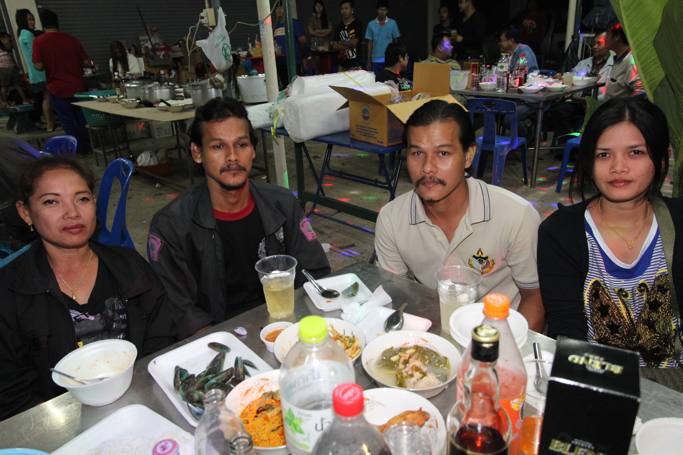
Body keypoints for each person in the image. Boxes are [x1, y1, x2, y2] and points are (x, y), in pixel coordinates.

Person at [0, 157, 176, 421]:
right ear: (25, 212)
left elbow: (162, 340)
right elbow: (10, 391)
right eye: (51, 202)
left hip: (139, 404)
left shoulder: (130, 268)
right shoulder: (10, 291)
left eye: (82, 199)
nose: (72, 213)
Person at [147, 98, 330, 339]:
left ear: (253, 151)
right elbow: (180, 310)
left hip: (285, 328)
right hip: (216, 339)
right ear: (197, 153)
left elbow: (315, 271)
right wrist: (227, 345)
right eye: (218, 146)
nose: (232, 156)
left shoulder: (282, 204)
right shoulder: (172, 226)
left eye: (241, 144)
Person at [538, 97, 682, 368]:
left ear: (660, 157)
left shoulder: (678, 222)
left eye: (635, 152)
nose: (618, 167)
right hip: (596, 375)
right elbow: (567, 328)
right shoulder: (559, 233)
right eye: (603, 154)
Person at [374, 100, 542, 326]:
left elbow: (535, 297)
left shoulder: (516, 216)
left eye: (443, 153)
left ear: (469, 155)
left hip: (501, 333)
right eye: (417, 153)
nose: (427, 167)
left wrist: (507, 346)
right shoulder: (392, 219)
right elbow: (397, 292)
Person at [32, 9, 92, 155]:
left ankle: (75, 151)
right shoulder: (72, 39)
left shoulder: (39, 41)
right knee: (81, 120)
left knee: (68, 122)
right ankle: (86, 148)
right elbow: (86, 62)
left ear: (43, 24)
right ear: (57, 23)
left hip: (57, 88)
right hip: (78, 87)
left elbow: (38, 66)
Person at [547, 32, 614, 140]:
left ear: (608, 44)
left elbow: (611, 91)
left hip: (599, 103)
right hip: (578, 101)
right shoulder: (584, 63)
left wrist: (589, 101)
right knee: (559, 110)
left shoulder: (615, 64)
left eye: (599, 43)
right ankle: (565, 143)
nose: (594, 47)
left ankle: (581, 143)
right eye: (593, 44)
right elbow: (572, 77)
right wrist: (562, 77)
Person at [16, 8, 54, 131]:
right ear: (23, 21)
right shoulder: (27, 34)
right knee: (47, 98)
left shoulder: (22, 34)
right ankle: (50, 124)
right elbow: (37, 53)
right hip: (40, 72)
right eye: (30, 19)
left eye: (33, 19)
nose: (33, 22)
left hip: (35, 73)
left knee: (44, 98)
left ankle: (48, 122)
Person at [604, 22, 643, 99]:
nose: (605, 38)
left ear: (617, 37)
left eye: (607, 34)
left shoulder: (631, 60)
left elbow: (640, 91)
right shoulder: (618, 59)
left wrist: (624, 106)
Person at [272, 0, 307, 89]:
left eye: (281, 8)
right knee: (285, 87)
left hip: (293, 61)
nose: (279, 10)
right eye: (277, 8)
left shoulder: (293, 22)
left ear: (286, 9)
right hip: (280, 61)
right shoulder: (275, 26)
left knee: (295, 86)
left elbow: (303, 40)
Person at [364, 0, 400, 74]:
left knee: (389, 79)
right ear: (377, 10)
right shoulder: (371, 24)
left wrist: (396, 59)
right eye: (380, 9)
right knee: (376, 79)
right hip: (375, 60)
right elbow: (370, 43)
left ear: (387, 11)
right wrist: (368, 61)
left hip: (389, 59)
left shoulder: (393, 23)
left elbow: (396, 42)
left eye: (384, 10)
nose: (382, 12)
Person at [331, 0, 363, 71]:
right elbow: (334, 45)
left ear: (352, 10)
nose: (344, 11)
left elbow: (354, 43)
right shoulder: (339, 26)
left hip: (355, 64)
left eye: (346, 8)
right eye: (342, 9)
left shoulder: (357, 24)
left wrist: (340, 42)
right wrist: (347, 44)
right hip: (341, 64)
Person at [0, 32, 29, 107]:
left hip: (4, 68)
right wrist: (16, 66)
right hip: (10, 67)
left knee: (4, 86)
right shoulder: (6, 47)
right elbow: (11, 56)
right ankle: (25, 100)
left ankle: (5, 102)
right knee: (17, 85)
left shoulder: (5, 47)